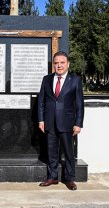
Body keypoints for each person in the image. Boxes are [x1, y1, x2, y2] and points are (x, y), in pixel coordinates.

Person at [37, 51, 84, 191]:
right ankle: (52, 177)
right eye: (56, 63)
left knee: (69, 153)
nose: (59, 65)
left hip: (68, 123)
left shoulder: (75, 80)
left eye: (62, 63)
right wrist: (41, 120)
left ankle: (70, 179)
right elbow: (41, 101)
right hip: (50, 122)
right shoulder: (46, 79)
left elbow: (80, 104)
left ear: (68, 64)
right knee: (51, 152)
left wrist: (78, 123)